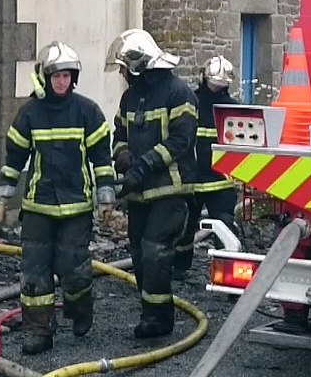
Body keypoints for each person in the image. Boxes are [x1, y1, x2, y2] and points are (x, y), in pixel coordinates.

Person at [0, 41, 116, 355]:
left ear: (73, 79)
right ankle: (39, 332)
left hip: (75, 208)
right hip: (38, 208)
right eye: (56, 75)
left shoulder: (88, 111)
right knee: (35, 274)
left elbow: (102, 158)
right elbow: (14, 159)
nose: (62, 81)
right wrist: (1, 198)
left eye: (67, 76)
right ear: (45, 78)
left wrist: (105, 198)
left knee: (74, 271)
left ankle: (80, 307)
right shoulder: (30, 114)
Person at [104, 28, 198, 339]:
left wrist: (142, 166)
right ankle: (151, 310)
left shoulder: (178, 93)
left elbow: (180, 141)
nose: (121, 74)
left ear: (138, 65)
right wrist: (124, 156)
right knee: (140, 256)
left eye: (122, 67)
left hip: (170, 191)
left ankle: (158, 319)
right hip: (140, 193)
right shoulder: (131, 97)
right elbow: (118, 134)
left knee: (156, 252)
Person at [173, 55, 243, 279]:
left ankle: (228, 274)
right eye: (215, 84)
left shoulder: (228, 108)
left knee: (221, 227)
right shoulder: (193, 103)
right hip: (198, 180)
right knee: (187, 227)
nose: (216, 88)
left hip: (214, 181)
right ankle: (182, 269)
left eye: (219, 85)